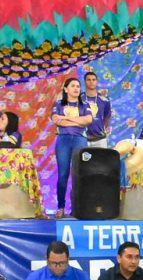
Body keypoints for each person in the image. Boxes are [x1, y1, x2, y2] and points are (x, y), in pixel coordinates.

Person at [51, 78, 93, 218]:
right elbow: (56, 120)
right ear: (66, 89)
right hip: (63, 141)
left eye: (78, 86)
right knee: (63, 175)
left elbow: (88, 121)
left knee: (80, 175)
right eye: (73, 86)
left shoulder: (84, 104)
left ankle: (77, 208)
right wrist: (78, 122)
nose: (76, 88)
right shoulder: (59, 103)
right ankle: (61, 207)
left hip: (80, 141)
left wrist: (66, 119)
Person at [83, 71, 112, 148]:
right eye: (88, 80)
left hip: (100, 139)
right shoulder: (79, 99)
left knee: (101, 160)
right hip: (82, 139)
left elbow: (107, 116)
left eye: (93, 79)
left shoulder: (104, 99)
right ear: (84, 82)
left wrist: (104, 130)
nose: (91, 82)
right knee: (82, 160)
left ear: (97, 82)